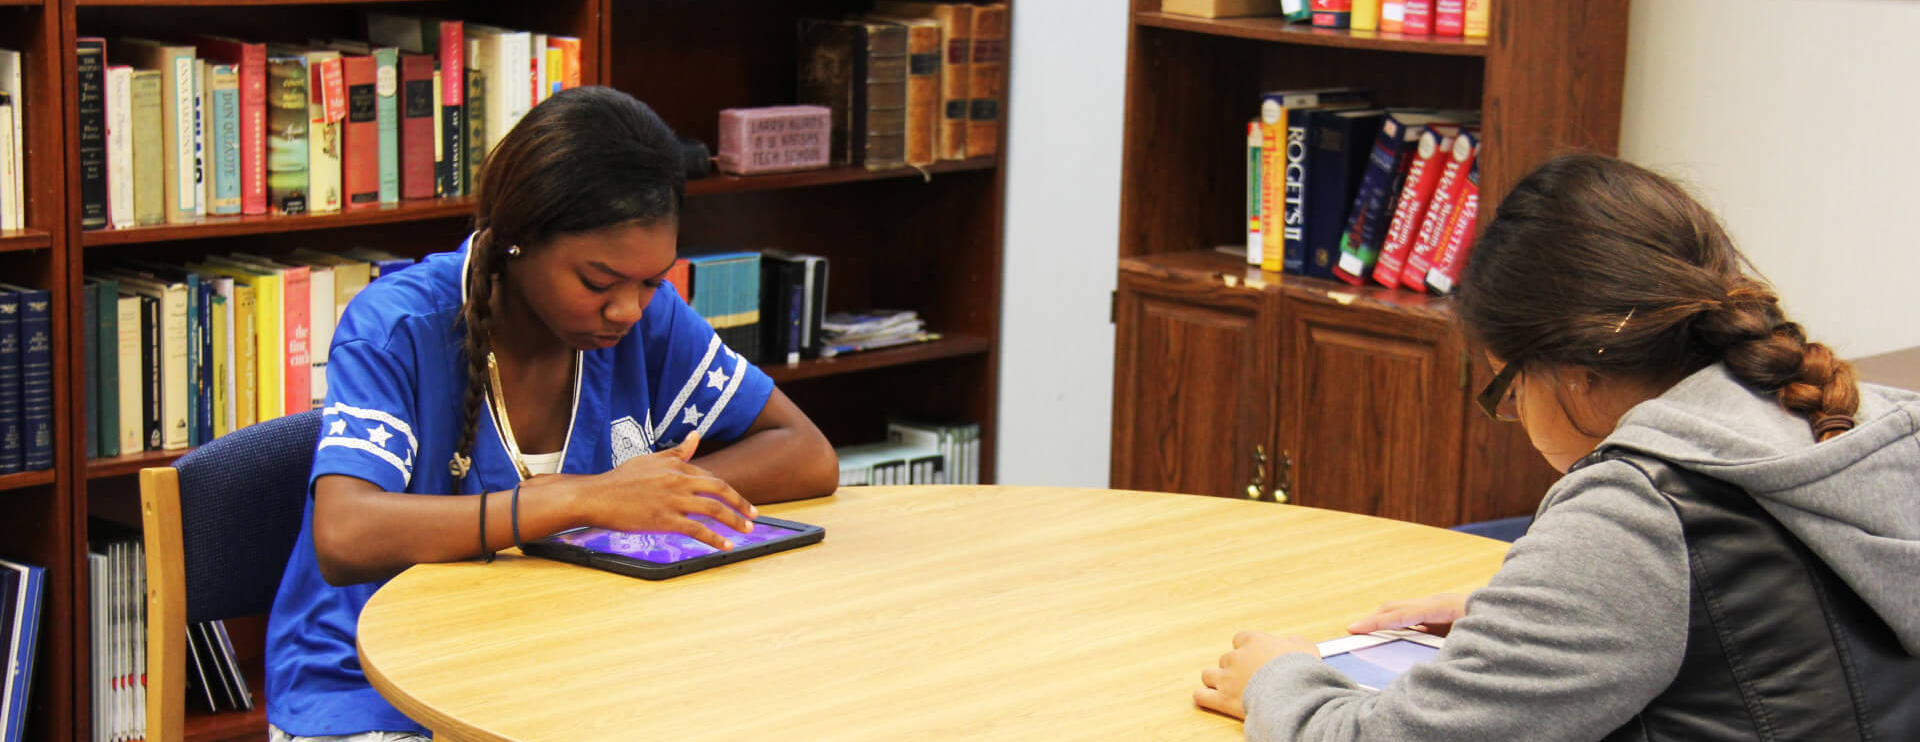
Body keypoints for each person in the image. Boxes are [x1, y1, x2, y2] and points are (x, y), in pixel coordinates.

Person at [1195, 154, 1920, 740]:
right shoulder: (1855, 421)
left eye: (1506, 388)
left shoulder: (1638, 509)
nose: (1513, 414)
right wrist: (1540, 612)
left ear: (1574, 371)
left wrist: (1278, 680)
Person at [264, 86, 840, 741]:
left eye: (651, 281)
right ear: (518, 241)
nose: (627, 308)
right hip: (370, 695)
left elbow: (804, 451)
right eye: (598, 283)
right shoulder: (399, 327)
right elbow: (344, 536)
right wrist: (581, 501)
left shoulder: (647, 322)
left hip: (557, 670)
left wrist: (662, 496)